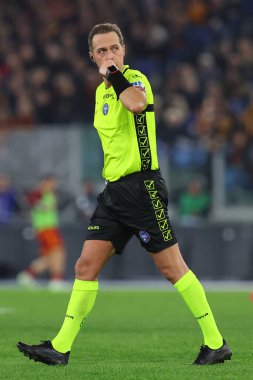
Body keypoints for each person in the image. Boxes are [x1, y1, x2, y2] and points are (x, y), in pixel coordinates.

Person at [17, 23, 232, 366]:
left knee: (172, 268)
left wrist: (115, 73)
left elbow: (135, 104)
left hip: (143, 187)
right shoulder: (101, 94)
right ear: (91, 56)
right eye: (101, 51)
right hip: (114, 192)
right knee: (85, 265)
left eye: (114, 48)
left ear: (123, 49)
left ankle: (215, 342)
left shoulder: (133, 80)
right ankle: (60, 348)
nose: (108, 55)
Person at [16, 174, 67, 290]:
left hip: (50, 228)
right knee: (58, 252)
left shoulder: (51, 194)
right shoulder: (37, 193)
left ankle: (28, 275)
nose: (54, 185)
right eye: (52, 183)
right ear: (45, 182)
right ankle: (56, 280)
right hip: (45, 228)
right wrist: (44, 206)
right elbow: (35, 204)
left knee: (49, 257)